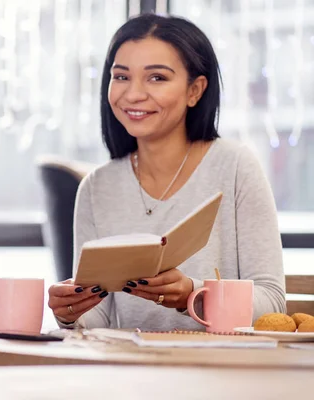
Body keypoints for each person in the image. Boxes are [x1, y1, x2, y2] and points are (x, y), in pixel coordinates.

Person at [48, 14, 286, 331]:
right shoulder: (96, 187)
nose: (133, 94)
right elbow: (98, 320)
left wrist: (194, 295)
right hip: (131, 374)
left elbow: (272, 302)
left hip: (220, 372)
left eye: (157, 78)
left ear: (195, 91)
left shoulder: (235, 166)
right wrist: (69, 311)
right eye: (121, 77)